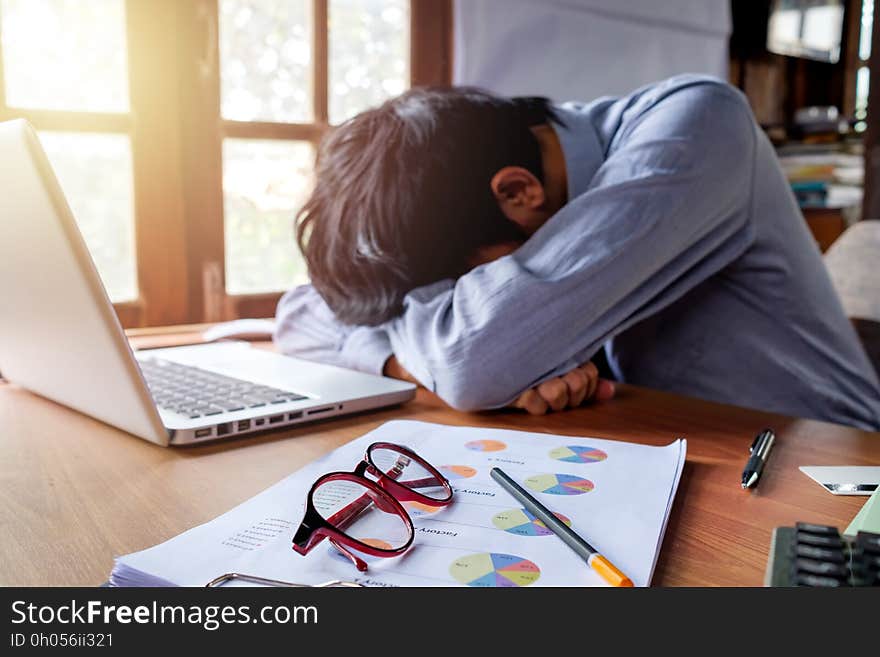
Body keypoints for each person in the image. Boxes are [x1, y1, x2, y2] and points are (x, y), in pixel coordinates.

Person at [274, 74, 880, 430]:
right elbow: (299, 314)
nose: (460, 305)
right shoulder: (496, 180)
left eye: (466, 289)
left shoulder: (699, 126)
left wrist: (448, 353)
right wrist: (404, 362)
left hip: (828, 468)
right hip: (659, 444)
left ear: (518, 190)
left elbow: (471, 363)